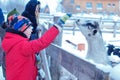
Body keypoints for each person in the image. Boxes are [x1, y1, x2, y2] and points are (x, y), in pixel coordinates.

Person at [2, 13, 71, 80]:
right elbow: (42, 42)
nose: (31, 30)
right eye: (29, 28)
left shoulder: (13, 42)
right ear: (22, 29)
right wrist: (57, 27)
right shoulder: (22, 46)